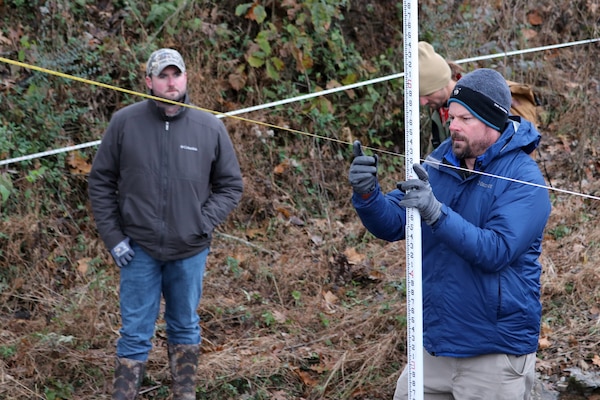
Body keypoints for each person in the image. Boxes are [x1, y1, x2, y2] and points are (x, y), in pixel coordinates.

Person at [348, 68, 551, 399]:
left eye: (465, 119)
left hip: (493, 354)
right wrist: (367, 194)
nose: (453, 125)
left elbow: (496, 251)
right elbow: (395, 223)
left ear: (493, 122)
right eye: (452, 116)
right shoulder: (441, 161)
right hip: (436, 345)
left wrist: (437, 214)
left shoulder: (524, 179)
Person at [88, 48, 244, 400]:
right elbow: (100, 182)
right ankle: (124, 395)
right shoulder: (124, 123)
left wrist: (202, 222)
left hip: (189, 250)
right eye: (163, 76)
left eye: (176, 74)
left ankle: (183, 394)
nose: (171, 82)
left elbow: (231, 185)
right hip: (138, 249)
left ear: (186, 78)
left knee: (185, 324)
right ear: (149, 81)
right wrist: (114, 237)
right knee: (134, 332)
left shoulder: (209, 127)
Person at [418, 41, 540, 155]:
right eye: (419, 96)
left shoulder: (485, 100)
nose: (422, 102)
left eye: (428, 94)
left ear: (443, 83)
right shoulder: (439, 111)